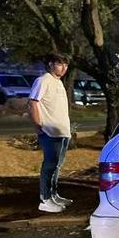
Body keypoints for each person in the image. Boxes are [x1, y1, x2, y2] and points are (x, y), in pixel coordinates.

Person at [28, 53, 71, 213]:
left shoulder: (58, 82)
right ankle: (45, 199)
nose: (64, 67)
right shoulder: (43, 80)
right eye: (60, 64)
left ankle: (53, 195)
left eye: (66, 65)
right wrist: (38, 126)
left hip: (62, 131)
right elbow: (33, 103)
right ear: (51, 64)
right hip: (50, 132)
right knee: (49, 166)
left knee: (57, 166)